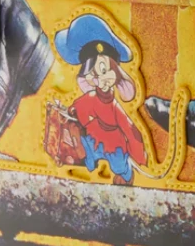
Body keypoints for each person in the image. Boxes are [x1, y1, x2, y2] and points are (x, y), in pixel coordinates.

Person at [53, 13, 147, 184]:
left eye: (104, 70)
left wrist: (139, 155)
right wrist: (67, 112)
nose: (99, 79)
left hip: (114, 145)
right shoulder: (90, 98)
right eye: (92, 74)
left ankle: (126, 173)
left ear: (115, 70)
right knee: (82, 146)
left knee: (119, 164)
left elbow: (130, 130)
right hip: (94, 140)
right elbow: (77, 108)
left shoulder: (114, 107)